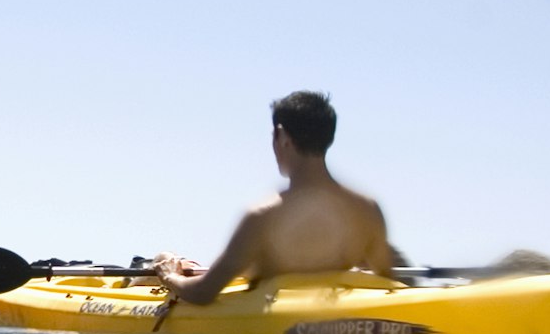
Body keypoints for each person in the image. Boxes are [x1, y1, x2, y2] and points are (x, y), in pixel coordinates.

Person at [153, 90, 397, 304]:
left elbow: (203, 293)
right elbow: (386, 281)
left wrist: (169, 276)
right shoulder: (368, 209)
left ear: (281, 136)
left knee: (165, 259)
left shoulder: (262, 216)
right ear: (329, 137)